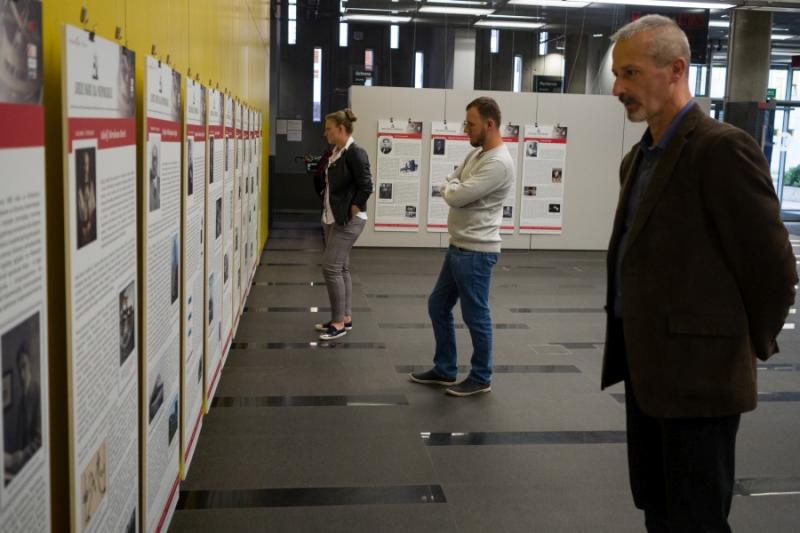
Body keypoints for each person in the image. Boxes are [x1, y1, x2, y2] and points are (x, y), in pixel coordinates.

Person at [604, 15, 797, 532]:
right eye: (616, 76)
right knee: (658, 509)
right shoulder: (638, 158)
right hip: (647, 371)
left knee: (698, 518)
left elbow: (774, 268)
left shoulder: (721, 148)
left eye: (630, 73)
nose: (618, 89)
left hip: (701, 379)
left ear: (675, 70)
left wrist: (735, 346)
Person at [410, 97, 514, 396]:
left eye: (470, 123)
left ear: (489, 124)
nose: (465, 128)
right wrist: (453, 188)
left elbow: (455, 194)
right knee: (438, 305)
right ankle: (445, 369)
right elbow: (451, 182)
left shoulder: (498, 163)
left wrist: (453, 189)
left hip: (477, 252)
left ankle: (481, 377)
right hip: (459, 246)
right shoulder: (477, 155)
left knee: (476, 315)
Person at [312, 108, 374, 340]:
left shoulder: (356, 153)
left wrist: (353, 208)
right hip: (332, 217)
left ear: (341, 129)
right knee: (341, 268)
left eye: (328, 129)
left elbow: (366, 186)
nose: (325, 133)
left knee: (330, 268)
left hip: (347, 220)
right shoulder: (336, 152)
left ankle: (337, 323)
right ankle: (344, 317)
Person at [4, 343, 42, 480]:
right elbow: (19, 441)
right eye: (19, 368)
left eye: (24, 366)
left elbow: (40, 439)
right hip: (22, 470)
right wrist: (13, 458)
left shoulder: (38, 393)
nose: (22, 375)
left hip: (36, 467)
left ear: (30, 365)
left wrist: (23, 455)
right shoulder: (21, 402)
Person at [76, 150, 96, 248]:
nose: (85, 168)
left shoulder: (92, 184)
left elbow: (93, 209)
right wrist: (81, 228)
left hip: (91, 233)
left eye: (87, 164)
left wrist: (90, 223)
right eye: (83, 165)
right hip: (80, 234)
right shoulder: (77, 188)